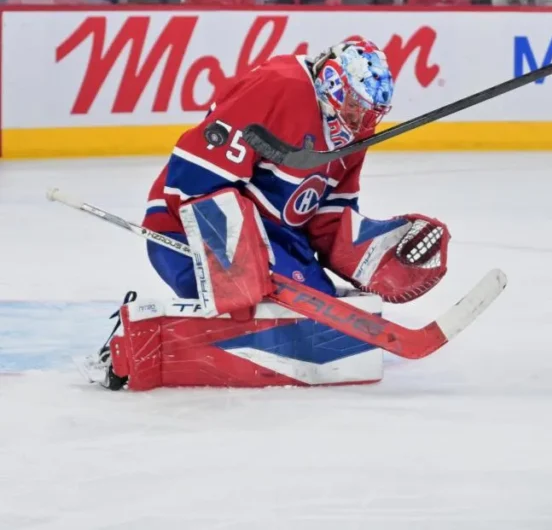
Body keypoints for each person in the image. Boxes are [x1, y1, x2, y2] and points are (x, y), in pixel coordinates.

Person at [81, 39, 451, 390]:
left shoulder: (355, 133)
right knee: (256, 306)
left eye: (370, 114)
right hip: (185, 231)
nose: (360, 123)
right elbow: (193, 176)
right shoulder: (281, 86)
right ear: (333, 85)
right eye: (355, 108)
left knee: (318, 323)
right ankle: (127, 340)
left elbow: (325, 219)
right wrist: (235, 256)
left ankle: (249, 318)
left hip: (275, 241)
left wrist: (369, 253)